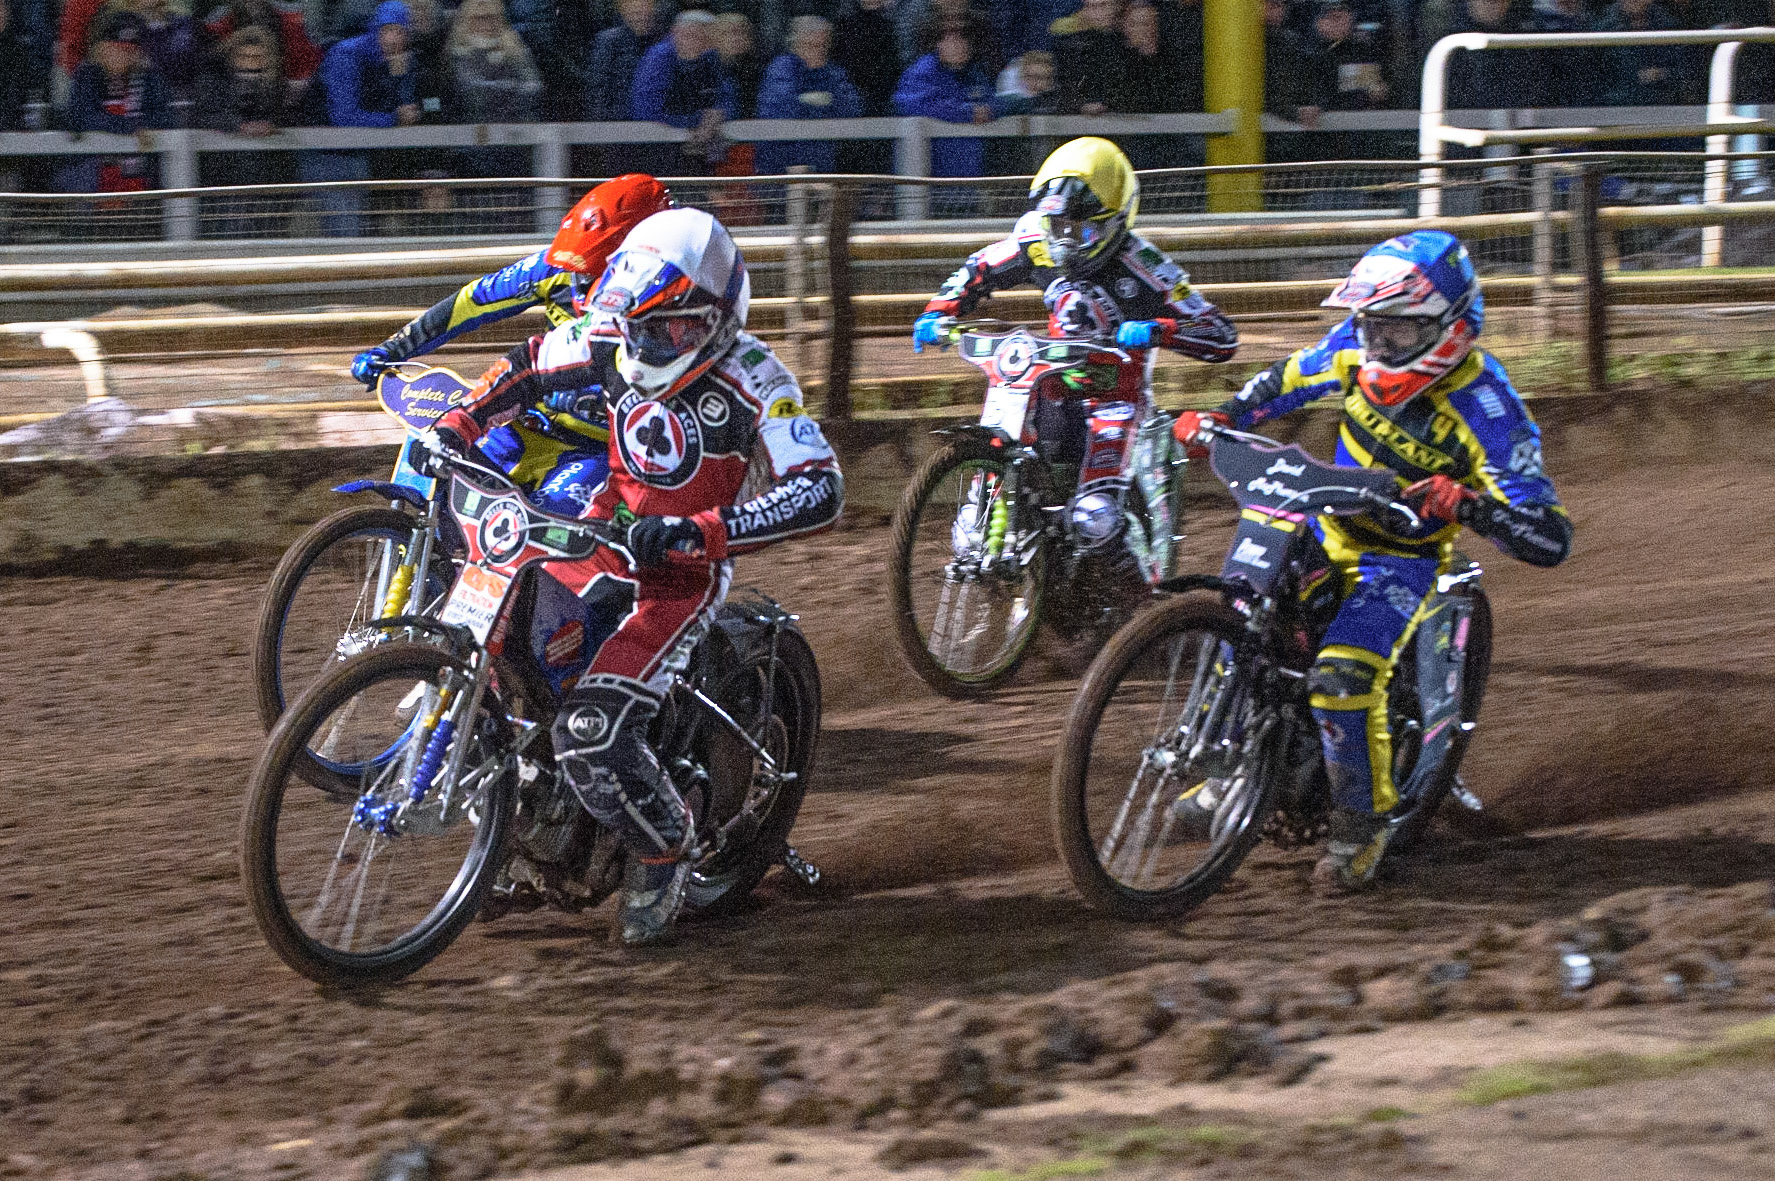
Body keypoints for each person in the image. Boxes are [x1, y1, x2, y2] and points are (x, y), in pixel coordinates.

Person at [430, 207, 845, 945]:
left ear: (716, 318)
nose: (649, 343)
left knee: (591, 731)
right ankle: (515, 827)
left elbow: (819, 487)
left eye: (671, 329)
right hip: (597, 534)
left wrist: (704, 531)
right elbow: (526, 363)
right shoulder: (611, 337)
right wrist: (458, 423)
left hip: (677, 577)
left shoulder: (757, 380)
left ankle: (664, 846)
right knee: (497, 659)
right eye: (641, 325)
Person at [1171, 230, 1571, 890]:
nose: (1375, 345)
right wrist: (1216, 417)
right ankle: (1232, 769)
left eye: (1394, 331)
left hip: (1399, 560)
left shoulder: (1488, 407)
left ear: (1448, 327)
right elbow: (1285, 379)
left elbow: (1549, 536)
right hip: (1323, 521)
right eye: (1368, 327)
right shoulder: (1352, 356)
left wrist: (1467, 504)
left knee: (1339, 678)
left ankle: (1362, 824)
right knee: (1239, 611)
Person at [912, 137, 1238, 572]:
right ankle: (995, 523)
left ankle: (1139, 599)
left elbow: (1220, 335)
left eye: (1083, 229)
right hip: (1048, 387)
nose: (1067, 241)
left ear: (1117, 221)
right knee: (1002, 460)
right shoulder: (1035, 239)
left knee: (1095, 519)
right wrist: (939, 312)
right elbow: (978, 270)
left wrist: (1158, 330)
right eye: (1058, 227)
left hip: (1114, 398)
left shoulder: (1146, 266)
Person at [351, 175, 675, 515]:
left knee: (546, 537)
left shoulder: (673, 306)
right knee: (435, 460)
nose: (582, 282)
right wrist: (393, 349)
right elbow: (471, 303)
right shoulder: (556, 265)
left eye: (594, 272)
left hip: (599, 450)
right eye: (580, 270)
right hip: (526, 423)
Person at [755, 15, 862, 174]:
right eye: (809, 45)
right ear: (795, 44)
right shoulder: (781, 67)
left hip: (821, 164)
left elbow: (852, 108)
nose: (817, 51)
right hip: (779, 162)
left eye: (822, 46)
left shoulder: (833, 72)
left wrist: (808, 103)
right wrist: (821, 104)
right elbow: (779, 109)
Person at [446, 0, 542, 122]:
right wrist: (511, 87)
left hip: (516, 124)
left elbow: (533, 87)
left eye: (491, 17)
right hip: (475, 126)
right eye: (479, 18)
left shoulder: (514, 47)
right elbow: (471, 90)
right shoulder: (460, 51)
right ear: (467, 21)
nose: (486, 24)